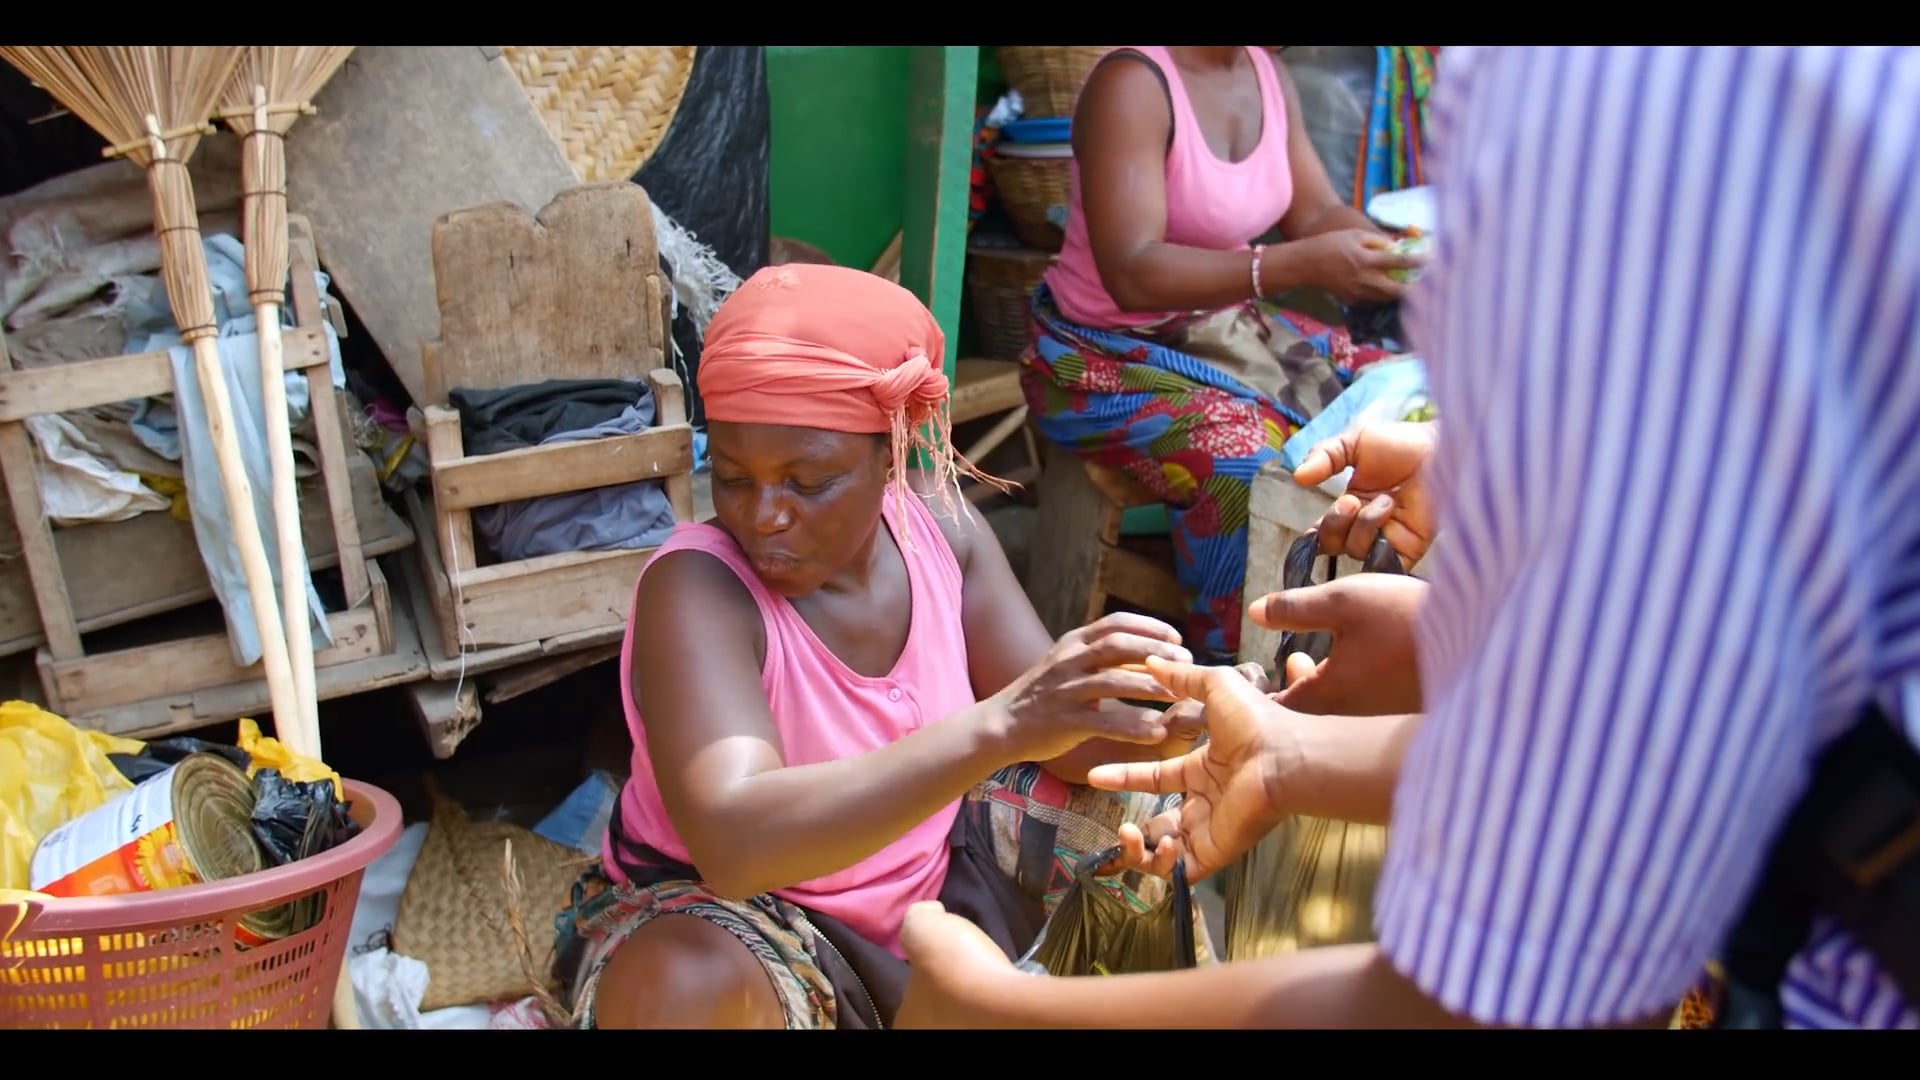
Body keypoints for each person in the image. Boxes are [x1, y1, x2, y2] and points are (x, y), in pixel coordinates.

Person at [896, 44, 1920, 1030]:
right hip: (1116, 354)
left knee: (1299, 432)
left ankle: (1241, 642)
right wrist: (1325, 740)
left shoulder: (1617, 92)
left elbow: (1508, 993)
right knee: (1258, 459)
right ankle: (1237, 637)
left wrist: (1008, 1009)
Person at [546, 262, 1223, 1030]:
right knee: (682, 988)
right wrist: (1002, 724)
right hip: (743, 914)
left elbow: (1068, 746)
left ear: (889, 456)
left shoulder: (941, 532)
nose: (765, 514)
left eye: (807, 481)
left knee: (1140, 808)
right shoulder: (699, 590)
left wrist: (1199, 718)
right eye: (733, 477)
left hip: (926, 882)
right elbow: (736, 845)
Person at [1020, 44, 1427, 664]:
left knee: (1395, 386)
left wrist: (1396, 255)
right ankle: (1239, 669)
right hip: (1099, 356)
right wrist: (1297, 265)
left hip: (1226, 324)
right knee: (1252, 465)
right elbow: (1132, 270)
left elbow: (1314, 212)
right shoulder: (1133, 83)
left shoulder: (1266, 73)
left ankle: (1349, 640)